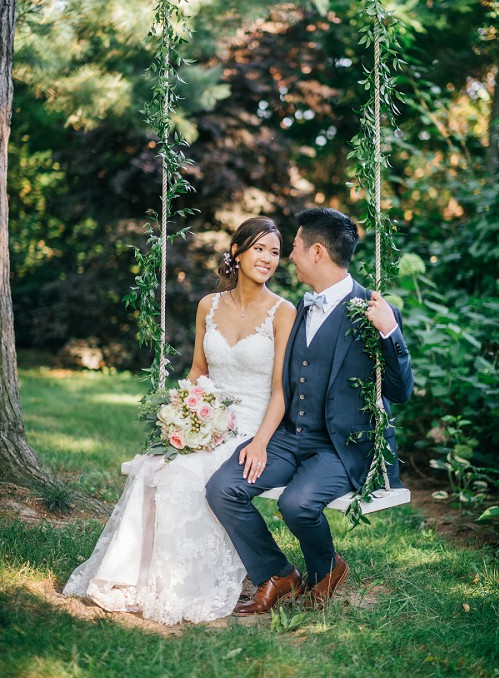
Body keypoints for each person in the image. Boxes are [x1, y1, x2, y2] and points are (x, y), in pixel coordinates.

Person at [63, 217, 297, 625]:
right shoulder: (209, 305)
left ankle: (186, 585)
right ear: (237, 251)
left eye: (275, 252)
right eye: (259, 248)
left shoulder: (282, 312)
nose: (267, 259)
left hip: (250, 427)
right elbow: (197, 371)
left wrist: (260, 442)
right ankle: (135, 577)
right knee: (154, 467)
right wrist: (182, 416)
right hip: (208, 417)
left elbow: (281, 390)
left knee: (184, 479)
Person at [206, 207, 414, 615]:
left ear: (317, 251)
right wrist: (262, 440)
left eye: (295, 246)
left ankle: (325, 570)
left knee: (296, 504)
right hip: (289, 437)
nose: (289, 255)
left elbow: (401, 390)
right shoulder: (295, 309)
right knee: (223, 488)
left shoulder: (372, 311)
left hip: (340, 447)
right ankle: (277, 574)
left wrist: (389, 331)